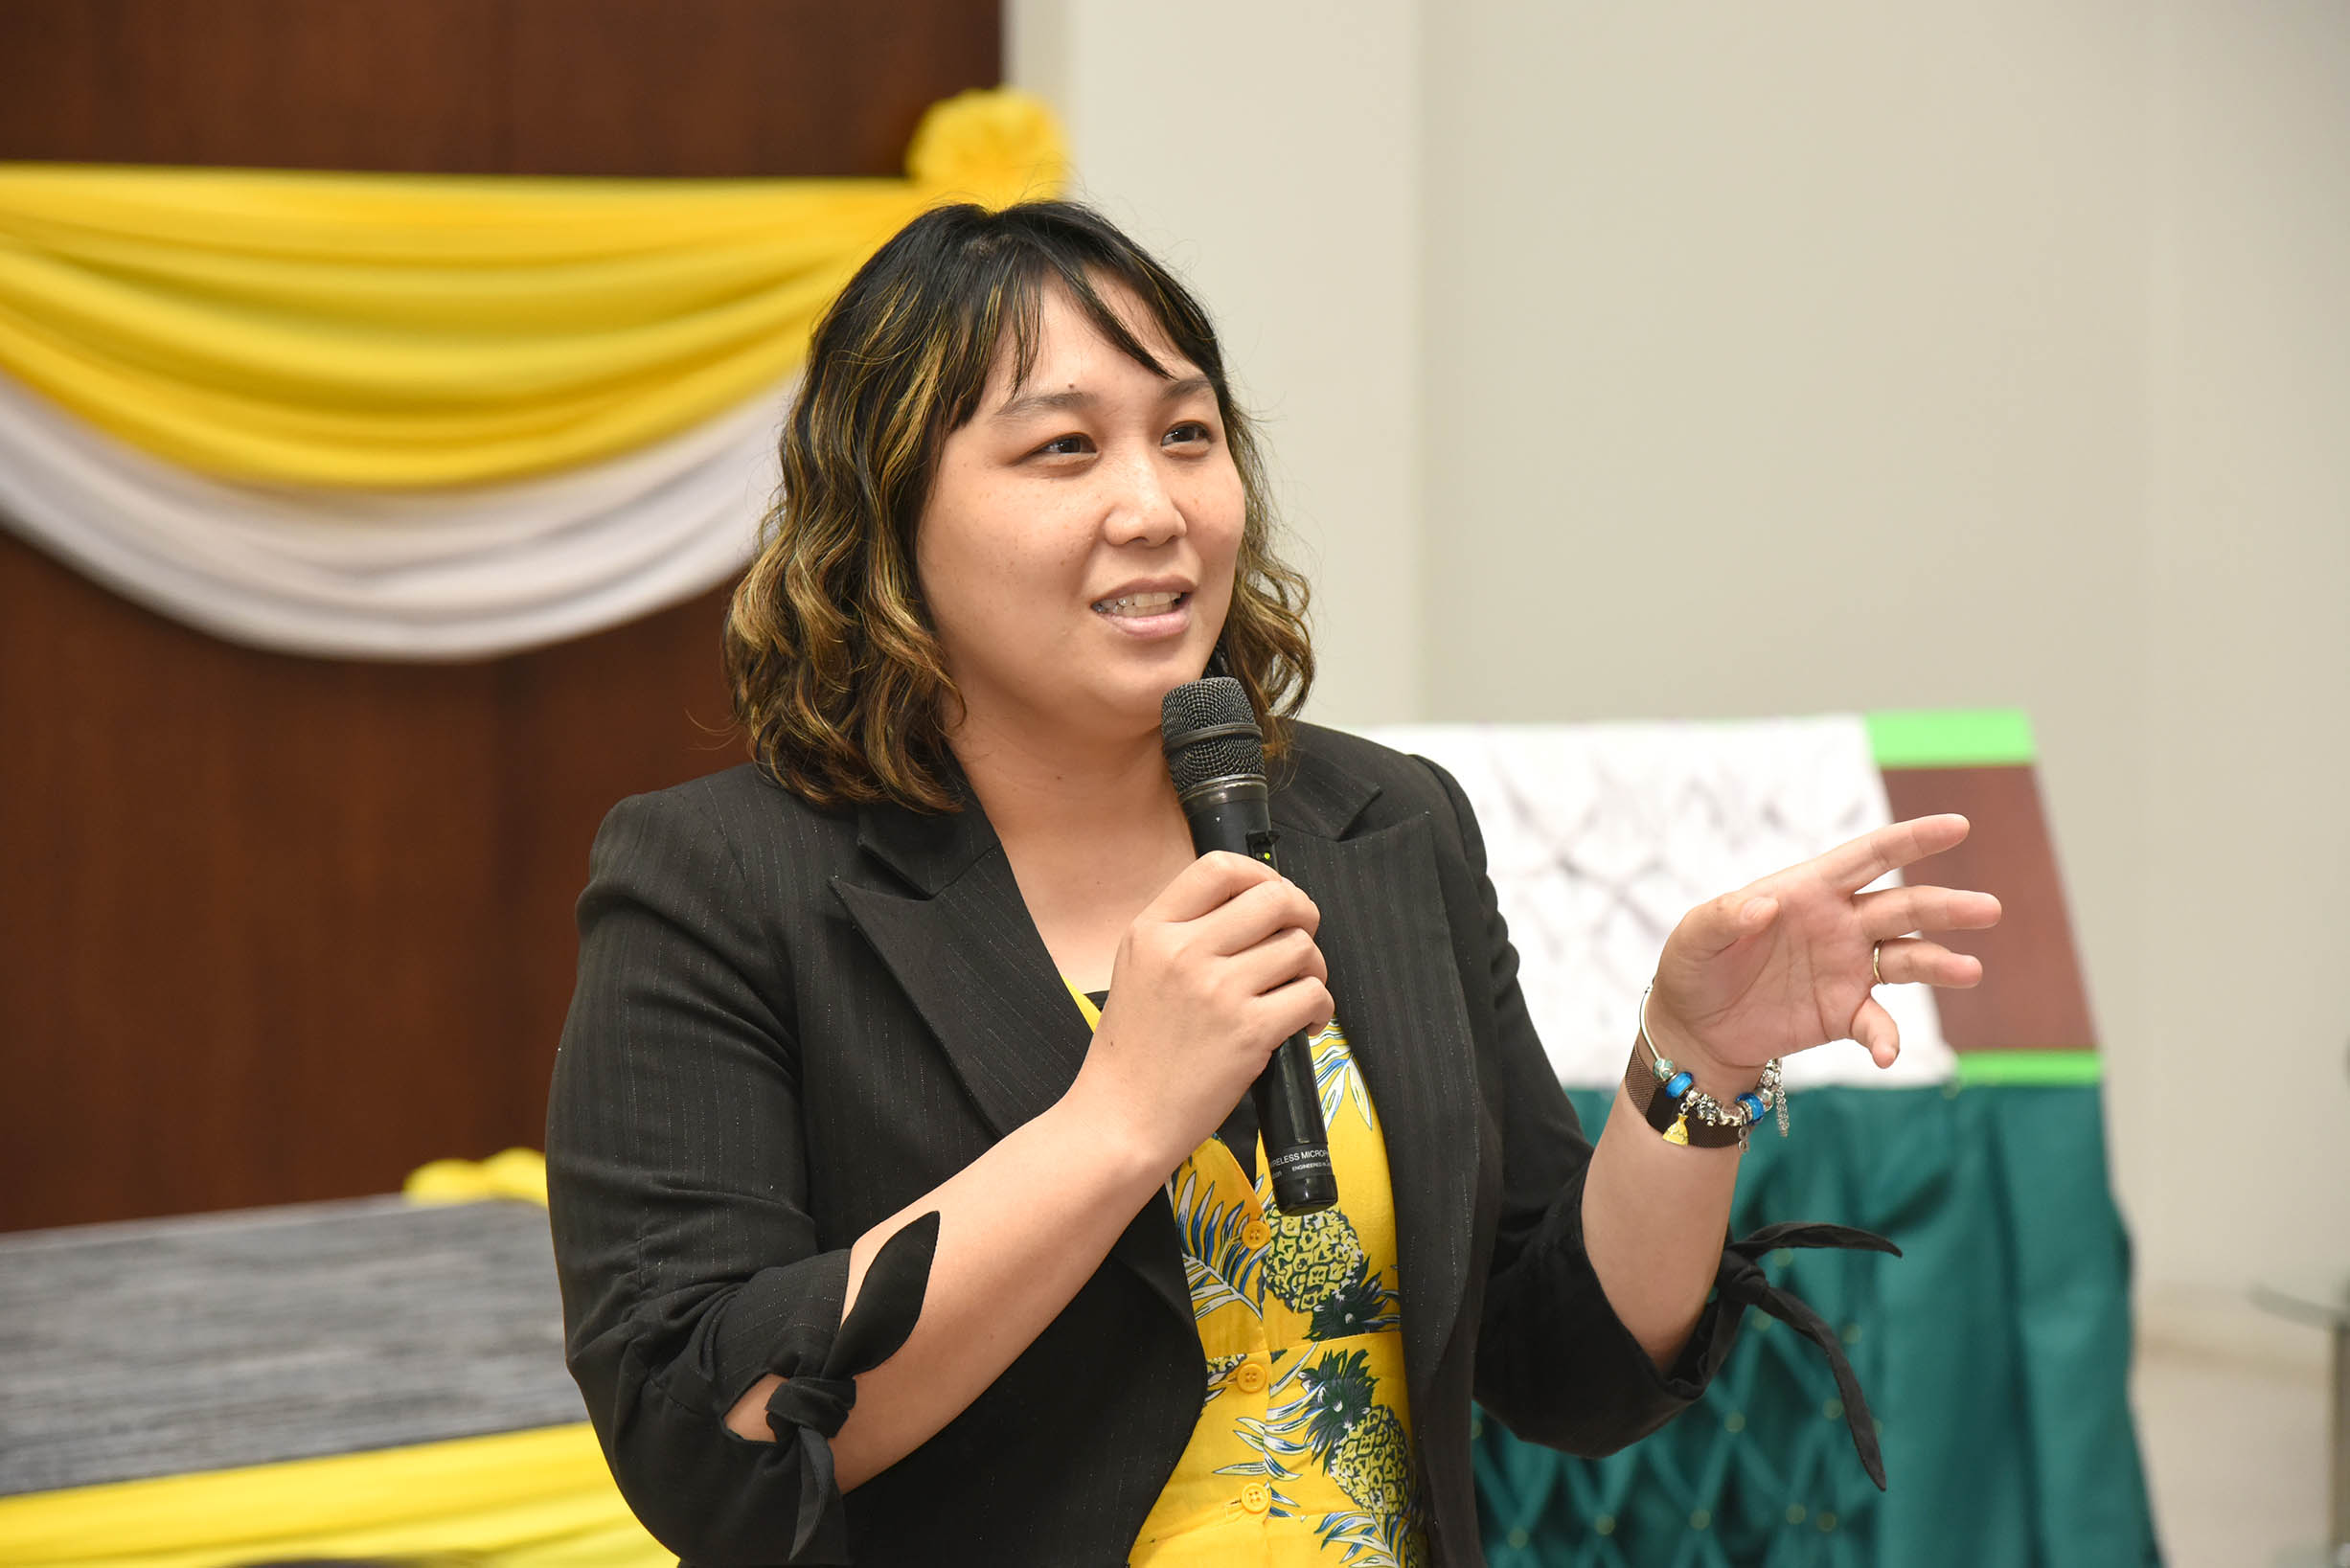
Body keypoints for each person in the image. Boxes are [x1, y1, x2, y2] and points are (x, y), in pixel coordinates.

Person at [544, 199, 2000, 1568]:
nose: (1154, 506)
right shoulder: (723, 883)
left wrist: (1689, 1068)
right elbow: (706, 1447)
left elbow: (1563, 1365)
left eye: (1188, 434)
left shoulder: (1380, 824)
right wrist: (1120, 1118)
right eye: (1064, 449)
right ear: (888, 515)